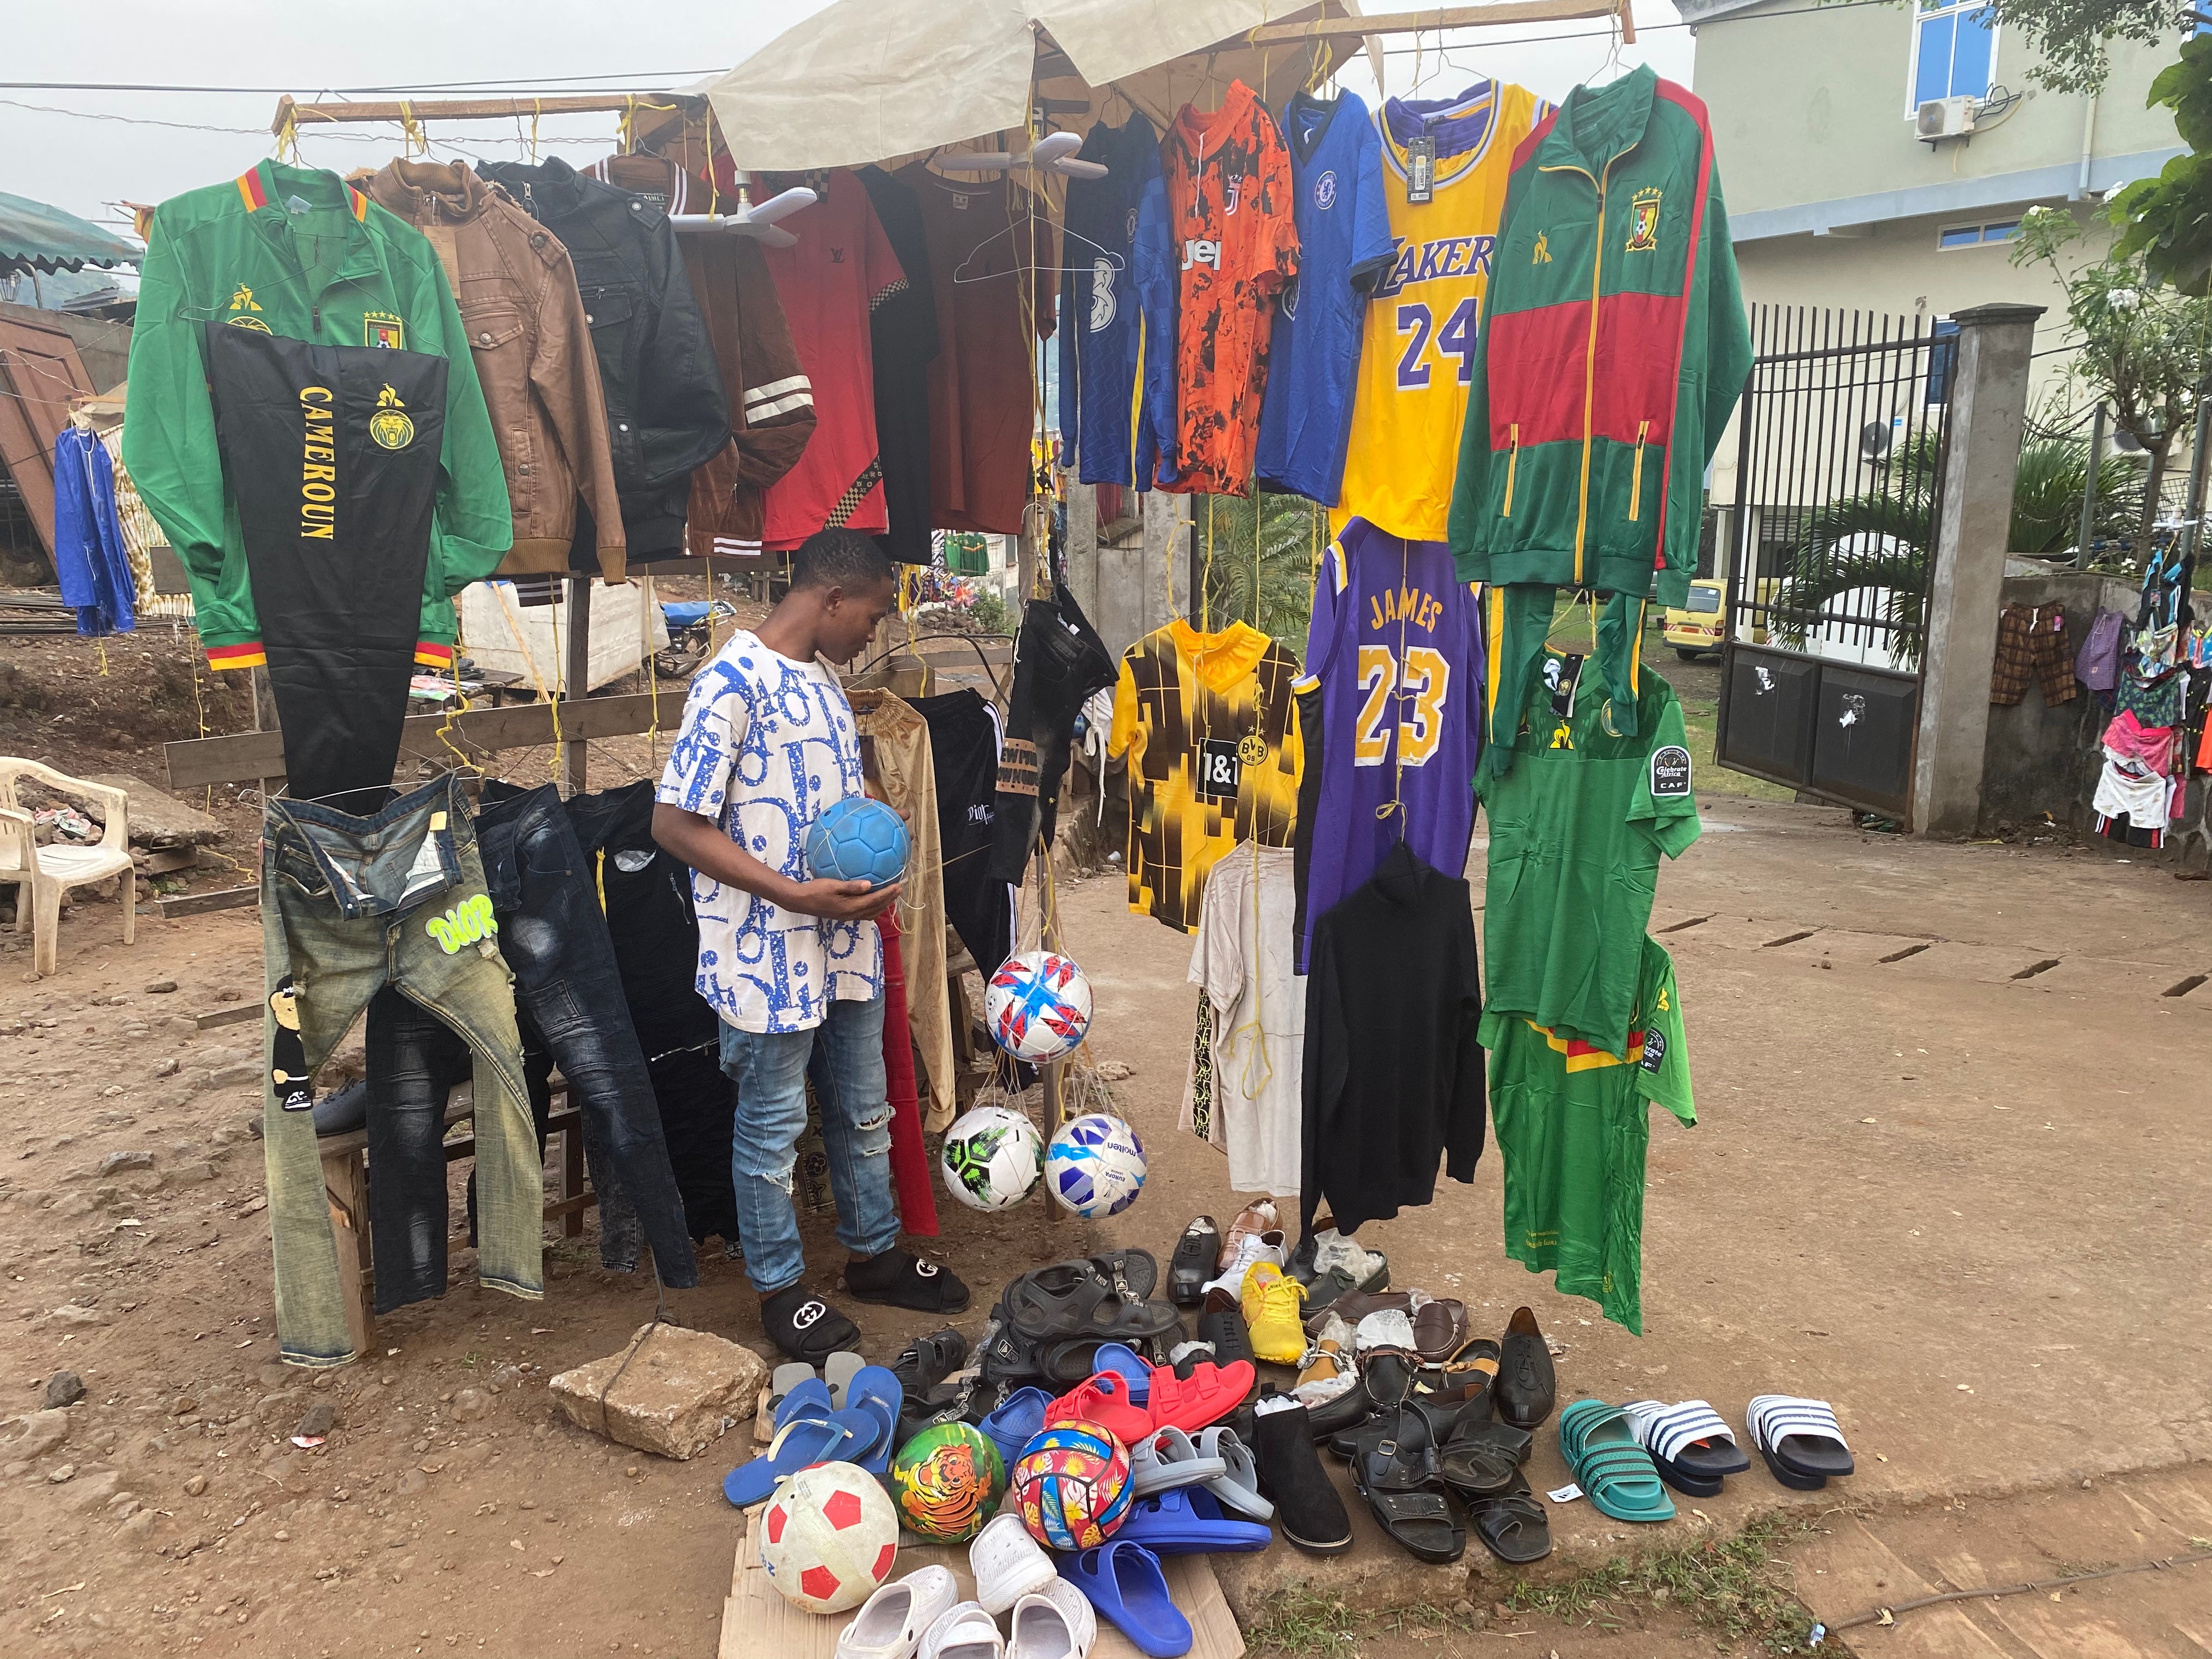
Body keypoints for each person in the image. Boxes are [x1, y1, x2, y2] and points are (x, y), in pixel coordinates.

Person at [654, 528, 970, 1361]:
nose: (875, 632)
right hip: (766, 954)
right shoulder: (730, 683)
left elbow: (839, 781)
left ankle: (874, 1255)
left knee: (867, 1111)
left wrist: (876, 817)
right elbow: (674, 822)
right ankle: (781, 1288)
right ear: (831, 600)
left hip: (846, 946)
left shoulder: (827, 679)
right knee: (772, 1127)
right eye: (870, 615)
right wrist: (793, 892)